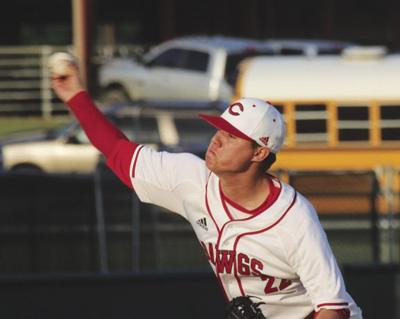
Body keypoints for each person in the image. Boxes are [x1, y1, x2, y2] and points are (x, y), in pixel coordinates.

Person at [51, 62, 362, 319]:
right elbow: (117, 150)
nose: (217, 140)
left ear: (258, 153)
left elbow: (333, 308)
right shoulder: (191, 178)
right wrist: (76, 96)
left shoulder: (293, 218)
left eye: (232, 136)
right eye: (219, 129)